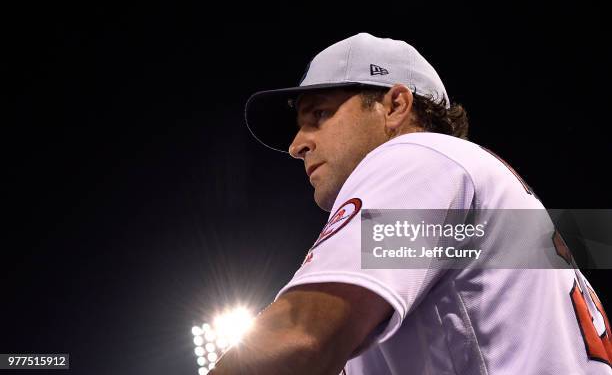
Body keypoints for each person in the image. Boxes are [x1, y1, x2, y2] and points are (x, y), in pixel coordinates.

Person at [212, 33, 612, 374]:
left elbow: (302, 335)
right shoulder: (489, 204)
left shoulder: (417, 157)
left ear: (396, 106)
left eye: (320, 114)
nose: (297, 145)